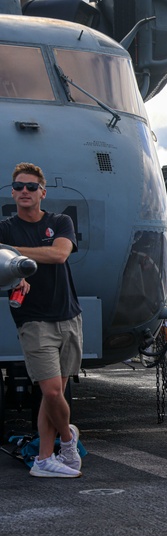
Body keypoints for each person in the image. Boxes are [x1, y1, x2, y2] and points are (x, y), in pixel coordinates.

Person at [1, 163, 83, 478]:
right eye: (19, 186)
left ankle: (44, 459)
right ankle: (68, 439)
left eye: (31, 187)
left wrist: (11, 254)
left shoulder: (60, 221)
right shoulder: (5, 227)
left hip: (68, 314)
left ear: (42, 192)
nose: (25, 191)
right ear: (13, 192)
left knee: (56, 395)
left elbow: (60, 255)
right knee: (50, 392)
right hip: (33, 319)